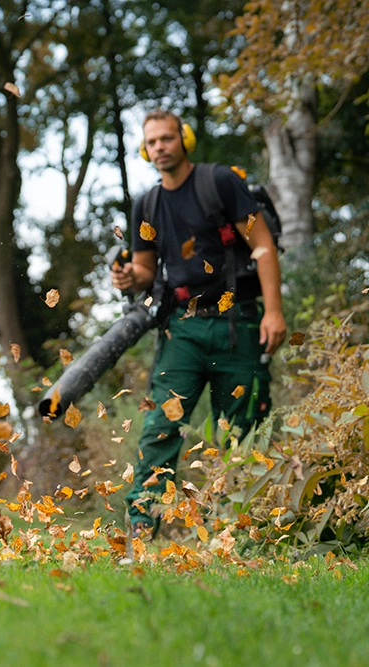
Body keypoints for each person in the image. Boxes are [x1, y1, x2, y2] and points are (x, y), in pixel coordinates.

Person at [111, 109, 287, 538]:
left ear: (183, 140)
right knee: (159, 425)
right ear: (144, 149)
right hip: (183, 328)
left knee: (243, 426)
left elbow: (262, 245)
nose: (160, 148)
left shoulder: (220, 182)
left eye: (168, 138)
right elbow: (146, 270)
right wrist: (128, 277)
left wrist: (274, 310)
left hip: (239, 324)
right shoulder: (147, 205)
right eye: (152, 142)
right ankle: (141, 524)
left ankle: (238, 527)